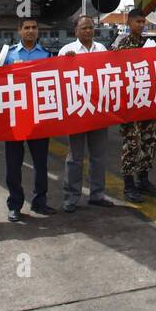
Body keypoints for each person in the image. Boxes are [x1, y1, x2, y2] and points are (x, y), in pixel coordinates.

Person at [0, 16, 55, 221]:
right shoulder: (8, 55)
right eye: (27, 28)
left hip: (39, 117)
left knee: (41, 164)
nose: (31, 31)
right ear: (19, 31)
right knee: (13, 163)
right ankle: (14, 204)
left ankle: (40, 202)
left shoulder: (47, 54)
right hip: (16, 117)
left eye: (34, 28)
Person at [58, 15, 114, 212]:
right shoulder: (67, 51)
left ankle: (97, 194)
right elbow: (59, 79)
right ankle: (71, 197)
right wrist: (67, 63)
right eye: (84, 28)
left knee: (98, 155)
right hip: (77, 110)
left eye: (90, 27)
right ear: (76, 31)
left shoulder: (101, 50)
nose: (88, 31)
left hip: (98, 110)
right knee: (75, 156)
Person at [112, 8, 156, 203]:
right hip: (130, 105)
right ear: (129, 23)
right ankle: (129, 185)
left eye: (143, 22)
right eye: (138, 22)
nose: (141, 25)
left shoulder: (149, 44)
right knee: (132, 144)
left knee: (150, 142)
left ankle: (143, 180)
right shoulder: (122, 45)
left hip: (147, 103)